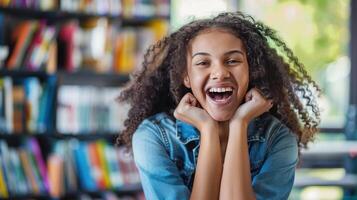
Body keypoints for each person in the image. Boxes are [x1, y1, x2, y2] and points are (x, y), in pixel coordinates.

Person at [117, 12, 320, 200]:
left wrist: (239, 125)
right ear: (186, 77)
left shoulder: (278, 140)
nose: (220, 73)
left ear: (252, 71)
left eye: (232, 60)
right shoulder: (153, 137)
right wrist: (208, 129)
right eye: (203, 63)